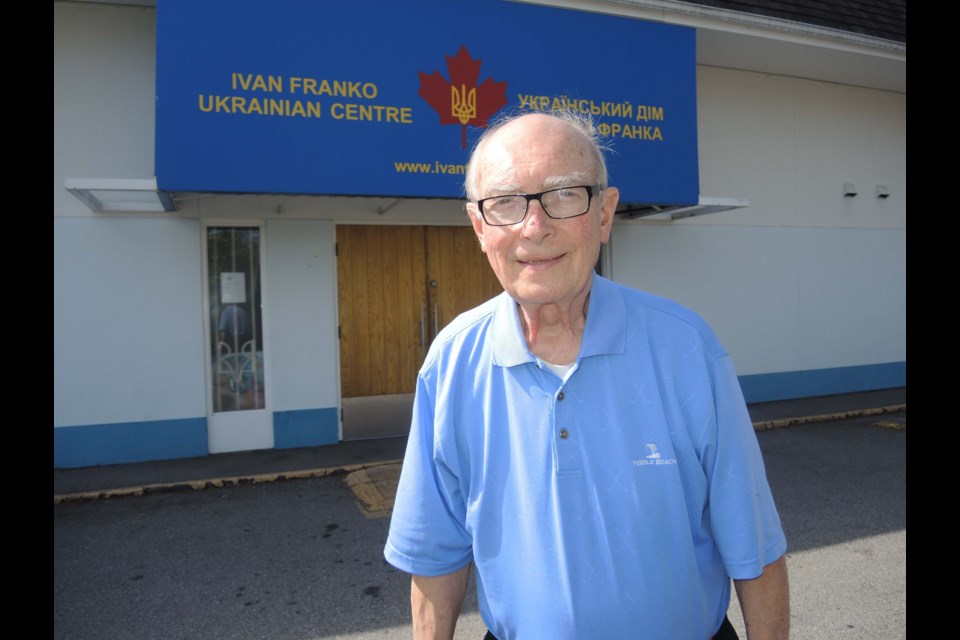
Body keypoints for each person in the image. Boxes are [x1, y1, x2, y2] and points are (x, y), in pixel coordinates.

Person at [384, 111, 789, 639]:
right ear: (480, 228)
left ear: (604, 214)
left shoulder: (687, 348)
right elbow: (435, 557)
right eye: (506, 202)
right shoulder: (452, 363)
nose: (535, 226)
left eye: (564, 194)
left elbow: (752, 545)